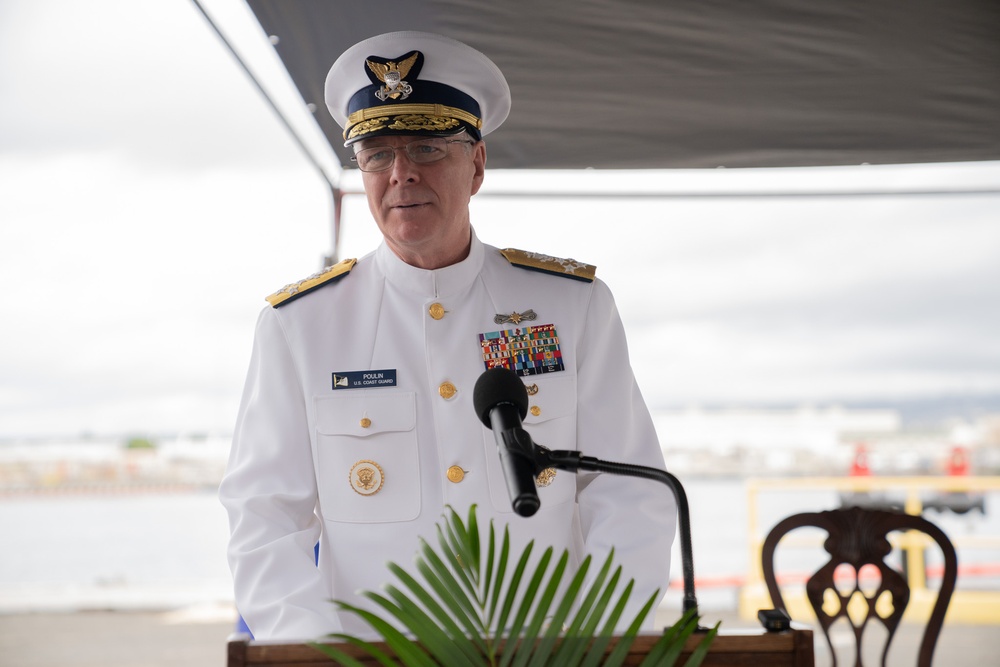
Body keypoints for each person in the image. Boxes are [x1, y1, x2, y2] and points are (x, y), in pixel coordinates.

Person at [219, 30, 676, 641]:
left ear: (477, 164)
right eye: (377, 154)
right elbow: (265, 518)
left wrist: (588, 646)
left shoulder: (570, 306)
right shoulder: (300, 325)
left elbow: (628, 492)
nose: (400, 173)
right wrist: (323, 656)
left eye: (428, 147)